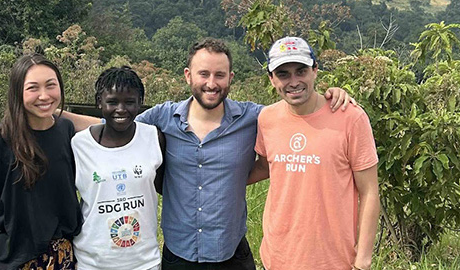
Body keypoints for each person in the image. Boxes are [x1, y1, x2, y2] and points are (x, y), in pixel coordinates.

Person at [63, 38, 358, 270]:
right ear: (189, 75)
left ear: (231, 77)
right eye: (204, 73)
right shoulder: (164, 118)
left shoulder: (254, 118)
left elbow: (290, 124)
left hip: (231, 252)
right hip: (179, 253)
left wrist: (331, 95)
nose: (211, 83)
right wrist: (55, 114)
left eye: (219, 75)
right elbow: (115, 123)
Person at [250, 36, 380, 270]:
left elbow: (369, 191)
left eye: (301, 71)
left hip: (333, 260)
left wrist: (363, 259)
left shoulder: (349, 117)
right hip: (277, 256)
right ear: (271, 79)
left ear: (315, 71)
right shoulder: (267, 118)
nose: (294, 81)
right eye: (283, 74)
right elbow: (265, 167)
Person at [0, 54, 82, 270]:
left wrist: (51, 109)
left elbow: (108, 124)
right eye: (33, 88)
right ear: (17, 92)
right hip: (11, 260)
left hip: (63, 258)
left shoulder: (66, 131)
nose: (44, 95)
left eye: (51, 86)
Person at [70, 66, 165, 270]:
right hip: (92, 263)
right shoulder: (79, 145)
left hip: (144, 263)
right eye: (112, 102)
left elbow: (168, 188)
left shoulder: (153, 137)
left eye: (129, 102)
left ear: (140, 103)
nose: (121, 109)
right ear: (99, 103)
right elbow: (58, 196)